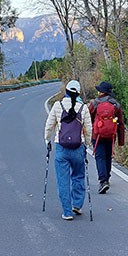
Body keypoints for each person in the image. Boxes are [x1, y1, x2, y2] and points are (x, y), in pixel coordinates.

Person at [44, 79, 92, 220]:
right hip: (78, 147)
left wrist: (47, 140)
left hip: (61, 148)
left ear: (66, 91)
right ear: (78, 93)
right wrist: (86, 144)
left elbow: (49, 125)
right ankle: (77, 204)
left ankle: (67, 212)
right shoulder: (83, 108)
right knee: (78, 176)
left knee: (63, 180)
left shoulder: (57, 106)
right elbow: (89, 129)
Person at [88, 81, 126, 193]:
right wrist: (121, 141)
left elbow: (88, 119)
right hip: (111, 135)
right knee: (108, 155)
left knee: (100, 156)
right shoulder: (115, 105)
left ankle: (103, 181)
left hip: (97, 134)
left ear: (101, 92)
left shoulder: (94, 103)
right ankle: (107, 178)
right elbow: (121, 123)